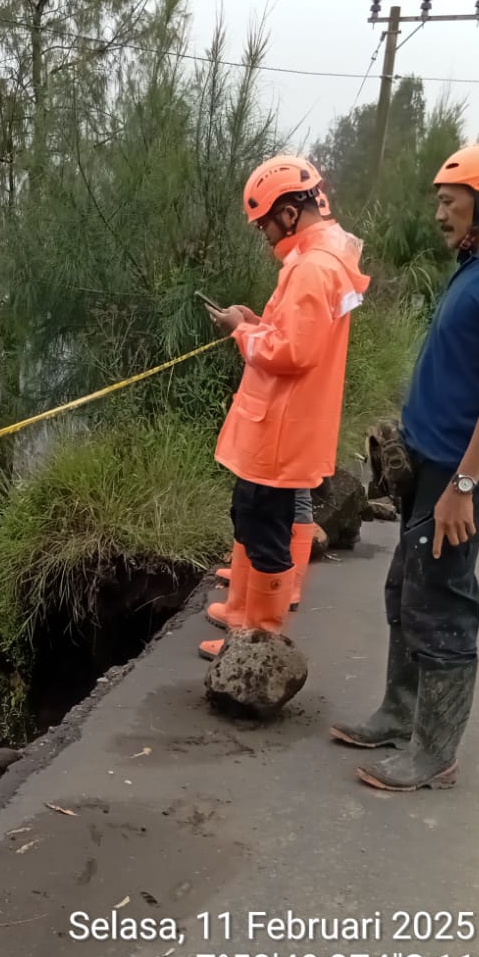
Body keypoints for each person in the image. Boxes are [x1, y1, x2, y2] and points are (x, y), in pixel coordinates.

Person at [330, 140, 479, 792]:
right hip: (431, 463)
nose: (439, 214)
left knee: (442, 600)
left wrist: (463, 485)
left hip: (460, 472)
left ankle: (435, 752)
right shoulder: (478, 261)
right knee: (406, 588)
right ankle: (400, 715)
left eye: (449, 202)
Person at [200, 155, 370, 660]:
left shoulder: (314, 268)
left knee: (265, 524)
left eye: (265, 225)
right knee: (251, 514)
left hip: (281, 424)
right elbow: (300, 335)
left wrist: (240, 329)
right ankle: (243, 620)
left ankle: (257, 644)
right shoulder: (327, 259)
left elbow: (292, 352)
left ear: (290, 214)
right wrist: (258, 322)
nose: (265, 236)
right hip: (285, 421)